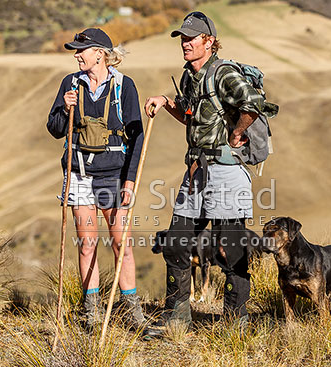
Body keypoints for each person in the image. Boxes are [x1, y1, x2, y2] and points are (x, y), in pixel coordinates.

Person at [144, 12, 266, 336]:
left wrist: (239, 132)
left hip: (226, 171)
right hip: (196, 170)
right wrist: (165, 102)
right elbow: (190, 117)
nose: (185, 43)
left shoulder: (223, 72)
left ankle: (235, 323)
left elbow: (254, 103)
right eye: (182, 38)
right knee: (174, 243)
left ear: (208, 41)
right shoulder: (189, 77)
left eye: (191, 38)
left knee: (231, 249)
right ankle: (177, 317)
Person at [47, 28, 150, 339]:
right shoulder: (70, 83)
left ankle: (132, 309)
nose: (77, 55)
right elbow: (54, 129)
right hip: (78, 173)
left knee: (121, 243)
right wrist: (65, 109)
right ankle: (90, 311)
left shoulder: (124, 86)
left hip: (113, 176)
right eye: (76, 51)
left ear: (100, 54)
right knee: (87, 243)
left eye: (82, 50)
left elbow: (137, 137)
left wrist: (129, 181)